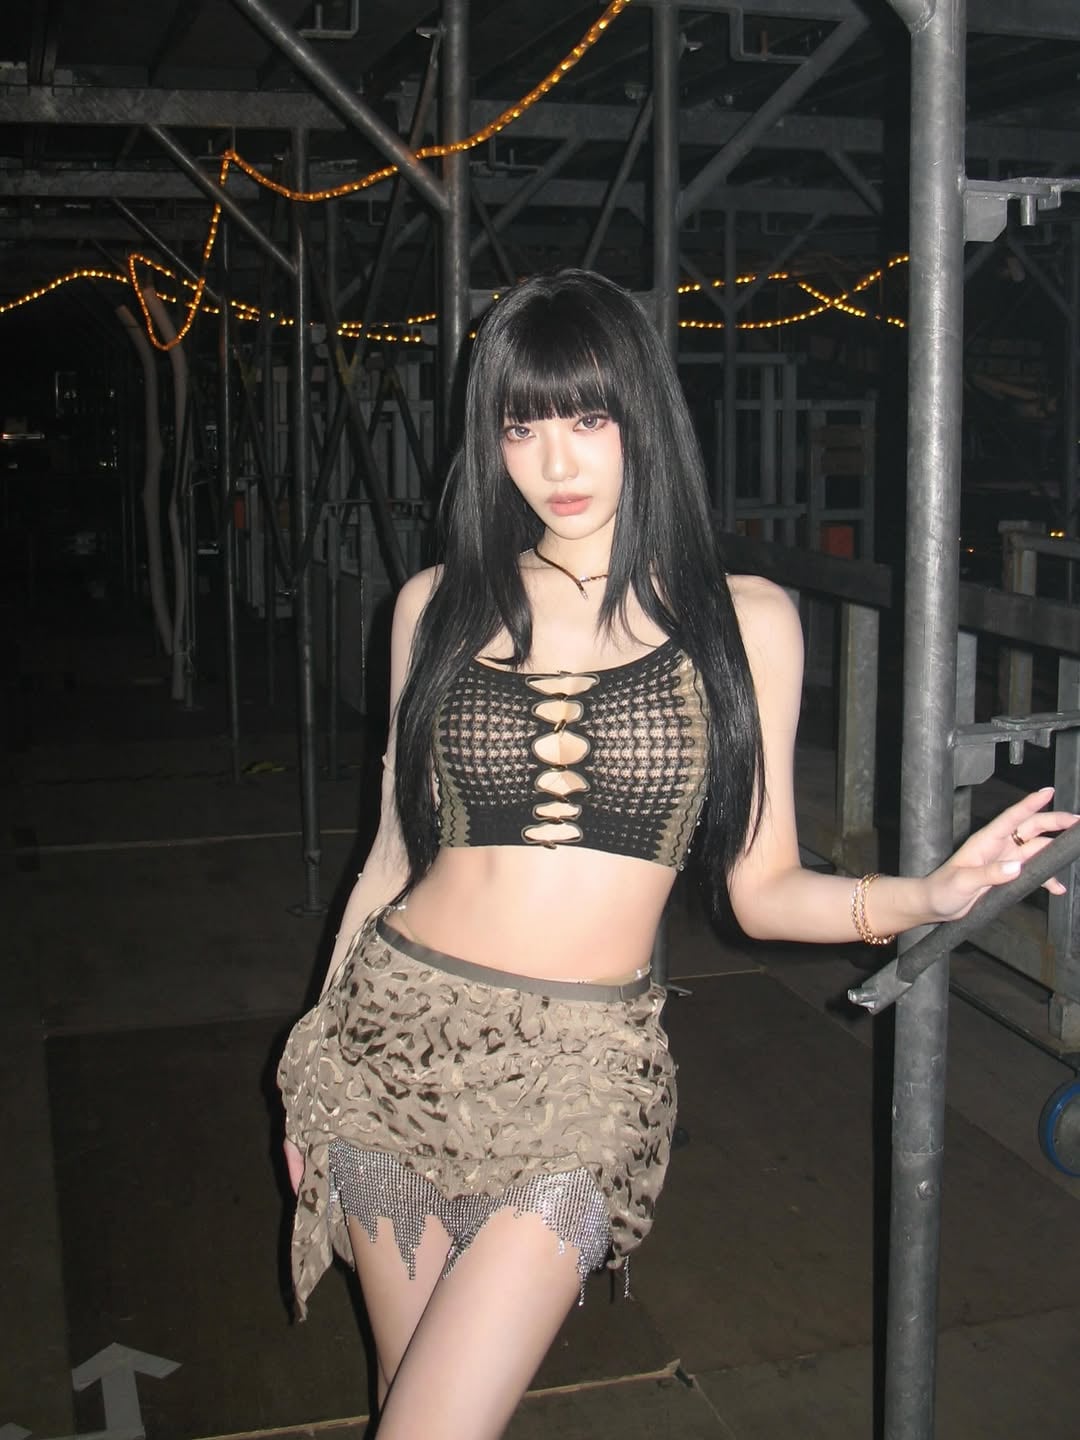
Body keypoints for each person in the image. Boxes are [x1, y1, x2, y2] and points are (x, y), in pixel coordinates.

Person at [277, 269, 1074, 1439]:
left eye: (588, 418)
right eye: (522, 427)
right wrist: (308, 1073)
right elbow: (389, 860)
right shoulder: (434, 605)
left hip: (579, 1075)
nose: (556, 462)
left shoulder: (741, 620)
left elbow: (763, 890)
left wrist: (928, 892)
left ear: (643, 416)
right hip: (386, 1042)